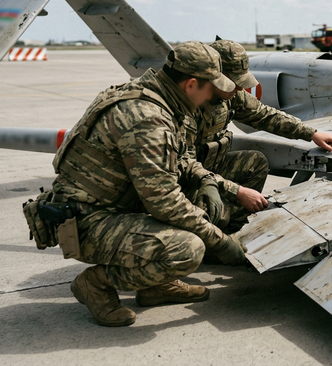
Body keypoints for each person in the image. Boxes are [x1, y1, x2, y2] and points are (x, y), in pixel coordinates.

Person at [50, 41, 246, 327]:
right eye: (210, 90)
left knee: (195, 210)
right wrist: (222, 241)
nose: (211, 98)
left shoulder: (154, 98)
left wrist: (207, 180)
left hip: (114, 206)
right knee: (187, 249)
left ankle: (156, 286)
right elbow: (165, 201)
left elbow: (175, 161)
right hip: (85, 221)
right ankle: (95, 284)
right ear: (192, 84)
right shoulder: (147, 119)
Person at [191, 39, 332, 236]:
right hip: (187, 176)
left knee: (255, 162)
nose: (239, 89)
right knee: (203, 212)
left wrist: (311, 133)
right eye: (234, 82)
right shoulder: (188, 104)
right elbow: (183, 165)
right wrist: (238, 192)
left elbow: (264, 114)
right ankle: (211, 237)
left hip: (209, 165)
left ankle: (231, 229)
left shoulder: (230, 94)